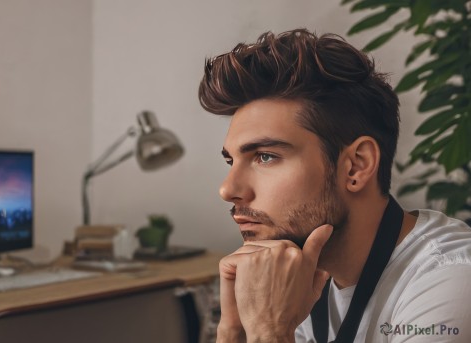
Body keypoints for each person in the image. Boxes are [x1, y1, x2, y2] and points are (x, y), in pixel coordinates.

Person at [198, 29, 471, 342]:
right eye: (231, 161)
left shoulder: (452, 280)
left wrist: (268, 331)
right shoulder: (296, 269)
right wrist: (231, 331)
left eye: (265, 157)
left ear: (356, 166)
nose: (228, 189)